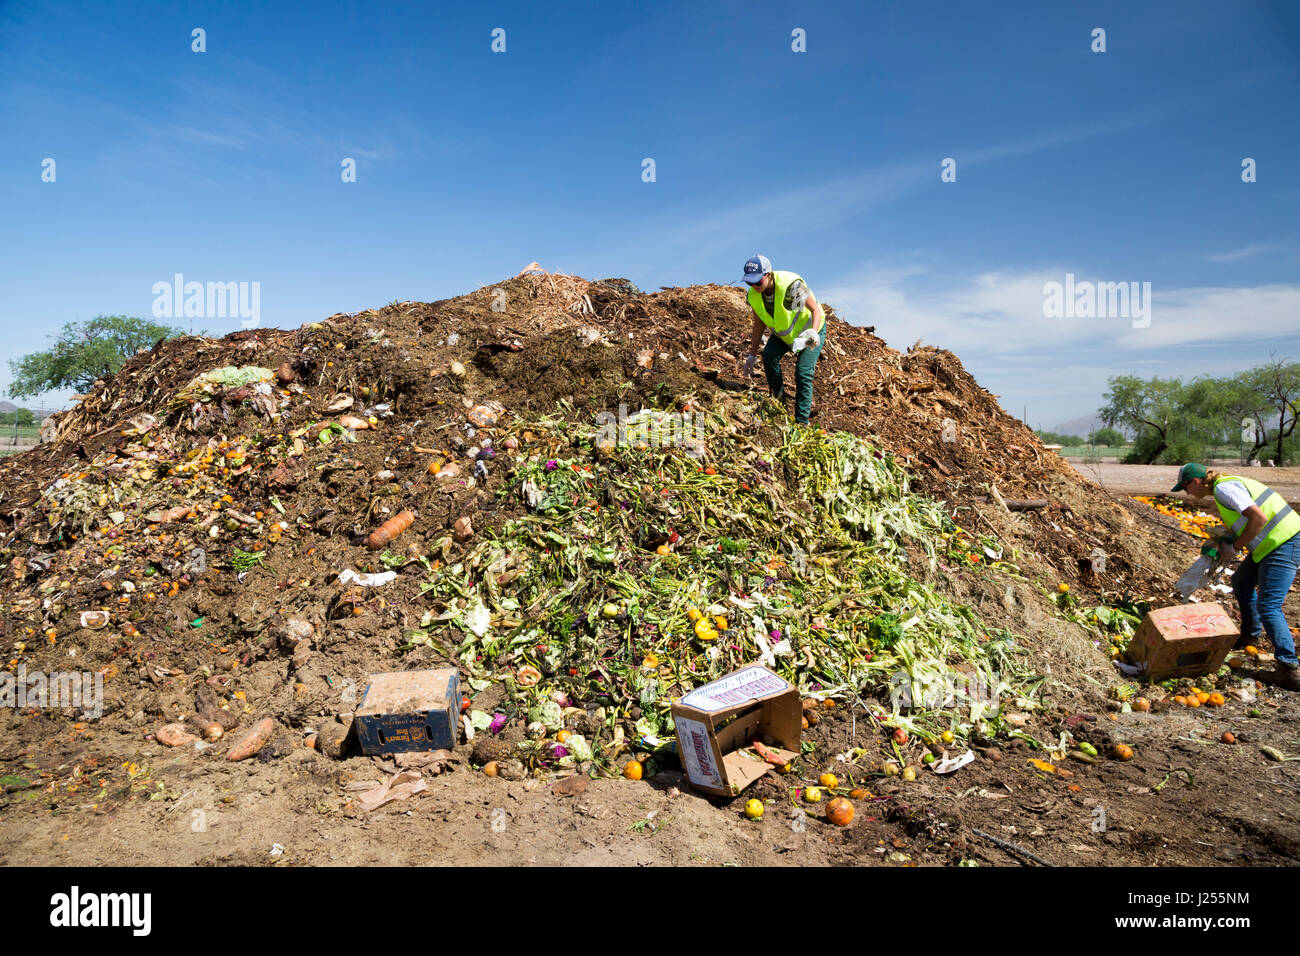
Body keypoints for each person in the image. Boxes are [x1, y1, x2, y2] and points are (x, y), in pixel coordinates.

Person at [1173, 462, 1300, 689]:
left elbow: (1258, 518)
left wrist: (1236, 547)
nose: (1187, 494)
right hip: (1271, 545)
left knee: (1269, 606)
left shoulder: (1224, 488)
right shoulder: (1224, 488)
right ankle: (1250, 635)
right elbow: (1246, 521)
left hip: (1285, 542)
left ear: (1195, 481)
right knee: (1241, 581)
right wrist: (1224, 538)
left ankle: (1289, 669)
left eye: (1185, 488)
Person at [739, 254, 826, 425]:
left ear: (768, 274)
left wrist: (813, 333)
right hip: (784, 335)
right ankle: (779, 406)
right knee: (769, 356)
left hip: (810, 332)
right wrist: (751, 355)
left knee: (803, 372)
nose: (754, 286)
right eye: (750, 282)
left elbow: (815, 309)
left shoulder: (791, 284)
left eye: (757, 282)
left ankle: (801, 422)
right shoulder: (754, 296)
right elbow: (758, 325)